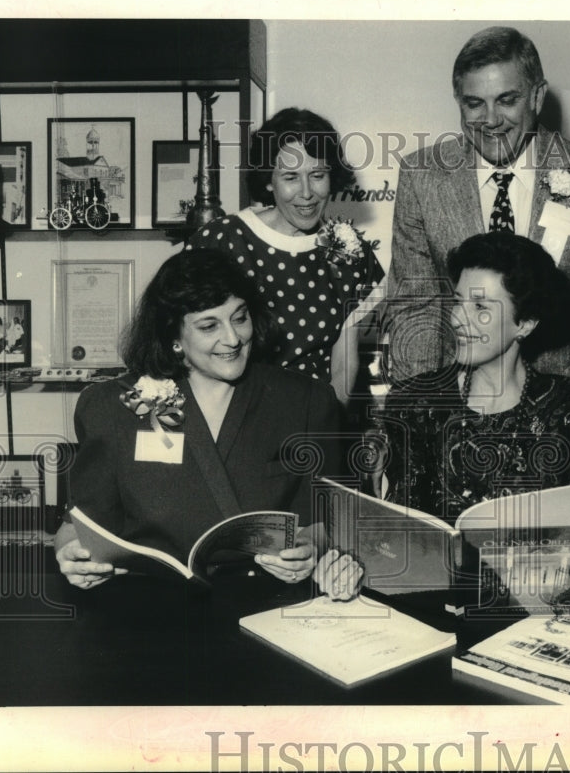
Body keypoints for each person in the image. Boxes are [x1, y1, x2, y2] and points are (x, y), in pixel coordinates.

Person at [54, 248, 362, 599]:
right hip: (145, 609)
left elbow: (328, 521)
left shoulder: (305, 401)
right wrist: (70, 555)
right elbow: (78, 527)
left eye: (240, 318)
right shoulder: (111, 407)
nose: (232, 339)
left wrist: (308, 549)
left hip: (266, 605)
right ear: (174, 337)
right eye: (209, 325)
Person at [385, 26, 570, 414]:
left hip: (560, 407)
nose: (491, 119)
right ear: (458, 102)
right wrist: (421, 416)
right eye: (474, 104)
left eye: (507, 100)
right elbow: (415, 309)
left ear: (537, 95)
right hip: (459, 406)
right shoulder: (422, 176)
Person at [376, 233, 570, 556]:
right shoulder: (415, 403)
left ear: (525, 324)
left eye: (481, 307)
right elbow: (401, 524)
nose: (458, 319)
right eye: (458, 301)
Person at [186, 108, 384, 408]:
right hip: (234, 419)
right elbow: (182, 338)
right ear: (268, 180)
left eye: (317, 175)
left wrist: (332, 424)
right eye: (291, 177)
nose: (307, 193)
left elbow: (356, 356)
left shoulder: (350, 251)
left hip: (319, 419)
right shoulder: (223, 240)